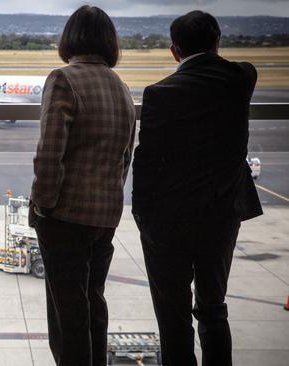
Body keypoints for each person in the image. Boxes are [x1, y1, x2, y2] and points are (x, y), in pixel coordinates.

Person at [132, 10, 263, 366]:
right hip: (222, 214)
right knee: (213, 308)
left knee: (172, 316)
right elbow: (235, 67)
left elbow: (145, 161)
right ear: (218, 43)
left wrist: (141, 213)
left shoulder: (159, 93)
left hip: (168, 219)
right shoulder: (242, 78)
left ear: (174, 51)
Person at [29, 5, 136, 366]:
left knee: (67, 315)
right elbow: (125, 158)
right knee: (93, 304)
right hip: (104, 217)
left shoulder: (64, 79)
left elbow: (49, 154)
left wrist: (43, 205)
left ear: (69, 38)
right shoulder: (121, 87)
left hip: (65, 216)